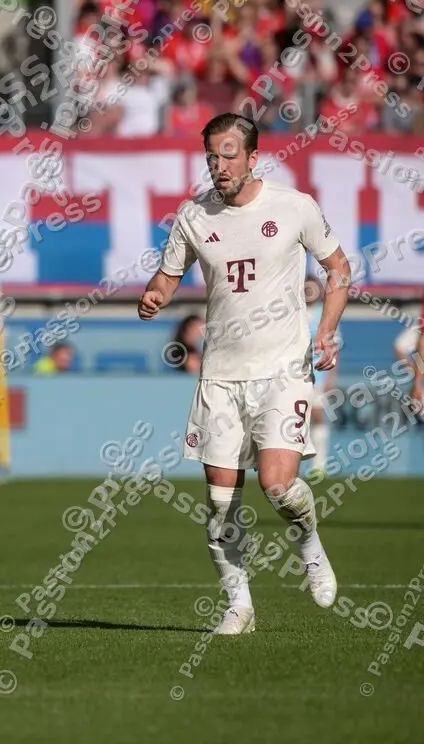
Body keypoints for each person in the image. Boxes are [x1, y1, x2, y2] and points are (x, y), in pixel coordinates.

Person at [137, 113, 352, 636]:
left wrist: (326, 330)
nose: (219, 164)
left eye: (229, 153)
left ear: (253, 157)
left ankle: (310, 546)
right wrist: (154, 296)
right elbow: (166, 278)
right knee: (219, 500)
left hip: (282, 369)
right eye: (211, 155)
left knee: (278, 487)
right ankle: (240, 605)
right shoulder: (193, 216)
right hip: (220, 377)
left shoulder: (295, 207)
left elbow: (339, 270)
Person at [305, 276, 337, 477]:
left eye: (313, 288)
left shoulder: (325, 316)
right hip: (294, 376)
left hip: (319, 374)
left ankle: (319, 465)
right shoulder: (293, 312)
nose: (309, 292)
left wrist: (331, 375)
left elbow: (335, 347)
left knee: (317, 416)